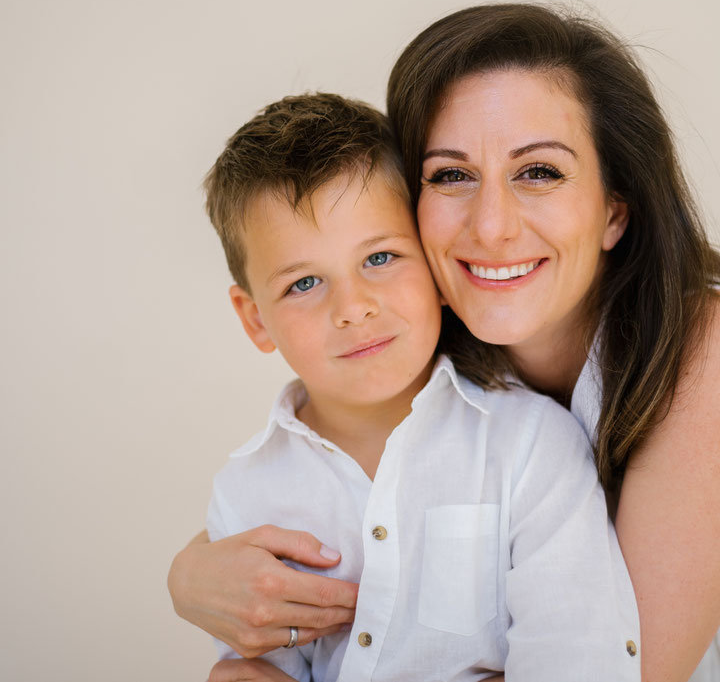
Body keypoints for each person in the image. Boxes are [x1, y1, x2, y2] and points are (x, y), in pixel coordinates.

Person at [171, 5, 720, 682]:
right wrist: (191, 576)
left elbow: (607, 668)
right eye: (450, 176)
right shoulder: (425, 328)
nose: (493, 223)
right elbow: (354, 495)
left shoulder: (716, 359)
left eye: (539, 171)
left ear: (615, 207)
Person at [194, 92, 640, 682]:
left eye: (380, 258)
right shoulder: (246, 494)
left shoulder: (533, 447)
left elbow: (576, 659)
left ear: (434, 266)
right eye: (304, 283)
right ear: (255, 319)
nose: (353, 308)